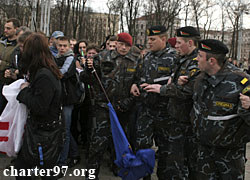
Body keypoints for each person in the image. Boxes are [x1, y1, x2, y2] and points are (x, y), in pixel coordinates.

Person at [142, 26, 201, 179]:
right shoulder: (181, 59)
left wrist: (163, 89)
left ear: (189, 43)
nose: (176, 45)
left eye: (179, 42)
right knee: (172, 162)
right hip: (169, 116)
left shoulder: (194, 61)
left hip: (182, 121)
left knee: (179, 164)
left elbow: (187, 90)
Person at [81, 32, 139, 179]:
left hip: (123, 108)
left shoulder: (136, 60)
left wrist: (129, 101)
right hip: (104, 107)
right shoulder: (102, 57)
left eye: (127, 45)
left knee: (120, 141)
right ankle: (91, 173)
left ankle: (117, 167)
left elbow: (138, 83)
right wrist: (88, 69)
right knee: (98, 142)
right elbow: (88, 79)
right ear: (116, 43)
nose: (124, 48)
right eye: (121, 44)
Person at [192, 39, 250, 179]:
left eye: (199, 55)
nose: (196, 59)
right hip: (203, 150)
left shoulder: (241, 81)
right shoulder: (200, 78)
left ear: (211, 61)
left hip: (230, 156)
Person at [13, 33, 64, 180]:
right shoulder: (43, 70)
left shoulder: (44, 75)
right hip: (42, 131)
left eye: (24, 48)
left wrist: (24, 91)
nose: (21, 51)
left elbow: (40, 106)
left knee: (36, 171)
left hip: (44, 134)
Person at [130, 25, 176, 180]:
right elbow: (137, 76)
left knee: (165, 151)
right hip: (146, 110)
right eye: (148, 39)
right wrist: (134, 85)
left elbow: (177, 85)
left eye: (152, 39)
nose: (148, 42)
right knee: (142, 147)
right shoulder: (146, 57)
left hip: (165, 113)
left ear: (163, 39)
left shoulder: (174, 57)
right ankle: (144, 177)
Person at [55, 36, 80, 168]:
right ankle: (74, 153)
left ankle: (62, 162)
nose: (62, 48)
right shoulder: (56, 58)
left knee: (64, 130)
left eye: (65, 46)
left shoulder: (70, 59)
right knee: (64, 129)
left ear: (69, 47)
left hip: (67, 100)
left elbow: (62, 73)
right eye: (60, 46)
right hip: (58, 99)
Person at [0, 18, 20, 115]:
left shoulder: (18, 46)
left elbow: (17, 65)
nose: (5, 31)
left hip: (9, 83)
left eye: (8, 28)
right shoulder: (1, 42)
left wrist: (3, 64)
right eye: (5, 28)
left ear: (16, 29)